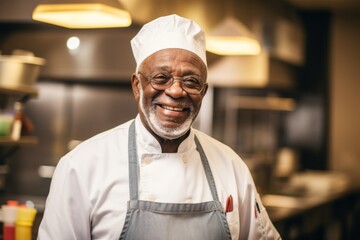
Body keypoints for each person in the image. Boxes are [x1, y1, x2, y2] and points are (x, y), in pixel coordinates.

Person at [38, 14, 280, 240]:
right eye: (161, 78)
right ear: (137, 86)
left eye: (191, 81)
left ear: (203, 92)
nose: (175, 91)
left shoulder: (231, 167)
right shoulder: (81, 167)